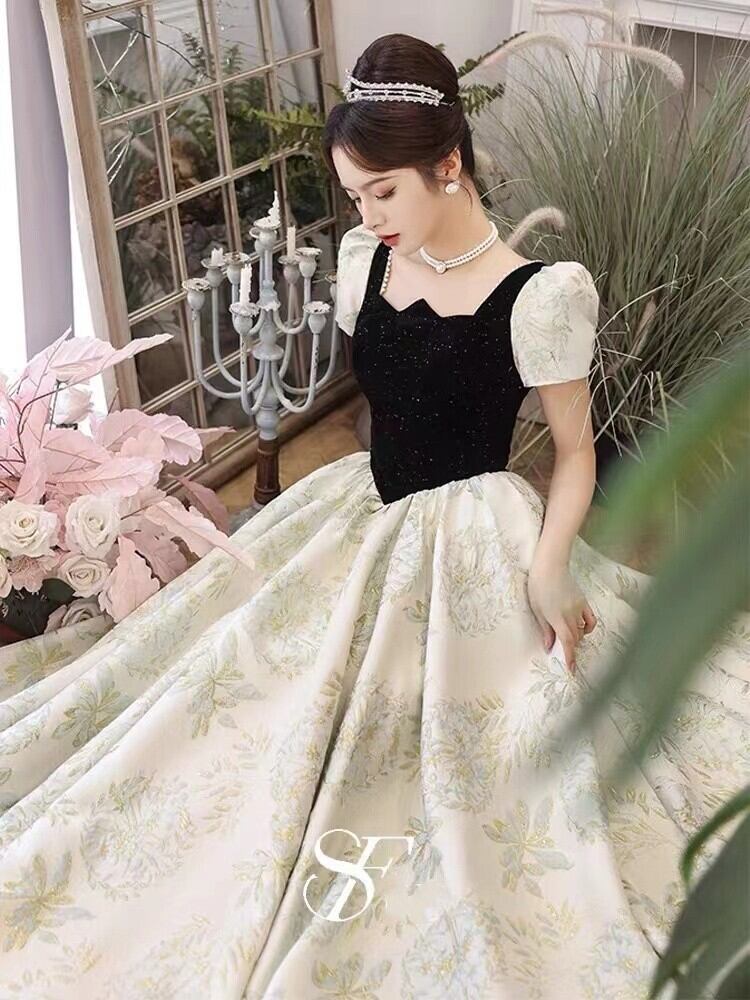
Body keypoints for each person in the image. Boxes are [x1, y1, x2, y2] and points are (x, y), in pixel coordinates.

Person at [0, 32, 747, 1000]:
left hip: (476, 529)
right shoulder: (364, 261)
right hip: (357, 506)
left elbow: (575, 452)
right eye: (355, 195)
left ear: (449, 164)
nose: (367, 214)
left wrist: (551, 564)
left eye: (382, 191)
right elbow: (379, 398)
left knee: (478, 754)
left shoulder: (540, 296)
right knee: (232, 694)